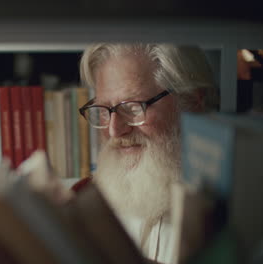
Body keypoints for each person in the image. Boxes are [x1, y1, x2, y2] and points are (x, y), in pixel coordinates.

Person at [76, 43, 218, 263]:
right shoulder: (86, 205)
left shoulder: (233, 216)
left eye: (133, 107)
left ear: (192, 101)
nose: (114, 130)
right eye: (104, 110)